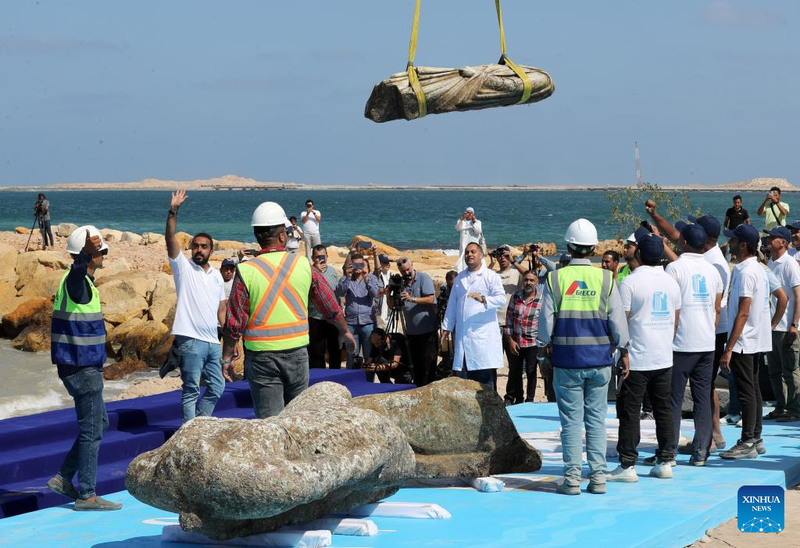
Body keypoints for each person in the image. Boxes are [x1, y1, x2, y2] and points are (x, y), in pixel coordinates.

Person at [221, 202, 355, 418]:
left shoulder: (246, 270)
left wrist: (227, 357)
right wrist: (345, 331)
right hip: (297, 352)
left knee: (270, 421)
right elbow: (330, 305)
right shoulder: (303, 265)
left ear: (257, 236)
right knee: (297, 419)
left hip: (261, 356)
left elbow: (235, 320)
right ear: (282, 237)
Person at [538, 219, 629, 496]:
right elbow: (618, 323)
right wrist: (622, 349)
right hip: (600, 360)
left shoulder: (555, 278)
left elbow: (545, 326)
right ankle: (598, 479)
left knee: (570, 423)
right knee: (596, 422)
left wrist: (544, 346)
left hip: (567, 362)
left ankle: (572, 480)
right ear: (593, 249)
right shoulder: (606, 279)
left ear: (568, 247)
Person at [47, 226, 122, 511]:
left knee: (99, 423)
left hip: (81, 366)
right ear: (87, 255)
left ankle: (63, 477)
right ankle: (87, 494)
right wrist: (83, 256)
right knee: (91, 430)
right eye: (99, 252)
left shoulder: (84, 284)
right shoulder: (75, 282)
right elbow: (77, 273)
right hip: (81, 368)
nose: (104, 255)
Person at [608, 232, 680, 482]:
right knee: (663, 410)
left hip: (636, 358)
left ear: (639, 252)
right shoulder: (671, 282)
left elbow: (621, 321)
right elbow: (675, 319)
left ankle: (627, 464)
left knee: (629, 411)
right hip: (664, 356)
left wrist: (621, 350)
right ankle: (666, 460)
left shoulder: (630, 282)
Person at [663, 222, 723, 466]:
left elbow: (670, 307)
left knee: (674, 399)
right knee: (702, 398)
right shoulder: (713, 270)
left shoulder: (674, 268)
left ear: (684, 242)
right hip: (706, 343)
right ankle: (701, 452)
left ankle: (669, 452)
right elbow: (717, 308)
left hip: (681, 343)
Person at [166, 190, 227, 424]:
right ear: (191, 248)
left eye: (204, 246)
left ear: (211, 250)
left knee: (217, 387)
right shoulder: (183, 267)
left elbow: (222, 310)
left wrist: (230, 339)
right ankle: (189, 434)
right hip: (190, 340)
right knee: (191, 390)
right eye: (195, 246)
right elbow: (170, 238)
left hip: (213, 342)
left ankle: (198, 425)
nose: (199, 250)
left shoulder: (217, 276)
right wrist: (173, 211)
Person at [719, 224, 772, 459]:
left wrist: (729, 348)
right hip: (754, 338)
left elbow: (743, 311)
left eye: (732, 240)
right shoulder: (757, 268)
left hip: (744, 340)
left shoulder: (746, 271)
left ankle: (748, 439)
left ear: (742, 245)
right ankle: (756, 437)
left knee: (746, 391)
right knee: (753, 389)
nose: (728, 243)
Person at [440, 242, 505, 388]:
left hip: (483, 340)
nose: (469, 254)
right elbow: (452, 305)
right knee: (464, 386)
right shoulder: (459, 278)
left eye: (473, 252)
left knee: (485, 387)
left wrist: (484, 299)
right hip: (462, 338)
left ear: (481, 255)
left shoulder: (490, 276)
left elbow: (501, 298)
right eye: (467, 252)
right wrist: (447, 327)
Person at [764, 226, 800, 422]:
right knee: (774, 371)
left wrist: (794, 324)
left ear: (783, 242)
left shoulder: (790, 264)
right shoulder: (771, 262)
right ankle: (781, 406)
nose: (768, 239)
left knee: (790, 370)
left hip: (786, 326)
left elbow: (798, 296)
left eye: (773, 237)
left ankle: (794, 409)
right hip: (772, 326)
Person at [389, 257, 439, 386]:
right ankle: (418, 388)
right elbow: (392, 306)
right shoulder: (401, 283)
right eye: (403, 271)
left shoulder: (423, 278)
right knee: (416, 366)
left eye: (408, 269)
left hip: (428, 332)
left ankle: (429, 388)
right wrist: (389, 293)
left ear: (412, 265)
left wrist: (412, 299)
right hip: (411, 333)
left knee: (427, 366)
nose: (406, 273)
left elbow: (431, 299)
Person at [504, 270, 543, 404]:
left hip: (533, 342)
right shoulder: (516, 296)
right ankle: (519, 399)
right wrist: (510, 340)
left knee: (531, 371)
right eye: (526, 280)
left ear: (537, 282)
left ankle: (530, 400)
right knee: (515, 370)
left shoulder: (542, 298)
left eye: (532, 280)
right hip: (516, 341)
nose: (528, 283)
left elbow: (545, 321)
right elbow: (509, 318)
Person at [337, 251, 379, 367]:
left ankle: (368, 378)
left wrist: (366, 279)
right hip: (351, 324)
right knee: (351, 356)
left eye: (361, 264)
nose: (358, 267)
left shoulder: (371, 278)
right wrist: (347, 277)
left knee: (369, 356)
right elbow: (340, 292)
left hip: (368, 323)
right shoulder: (346, 279)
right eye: (355, 265)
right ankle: (352, 377)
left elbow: (375, 294)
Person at [307, 244, 343, 369]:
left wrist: (341, 309)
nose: (320, 259)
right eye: (317, 257)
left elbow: (336, 293)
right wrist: (315, 271)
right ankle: (319, 376)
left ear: (327, 256)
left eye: (322, 256)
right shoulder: (309, 271)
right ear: (313, 258)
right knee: (317, 352)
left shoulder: (332, 271)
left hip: (332, 318)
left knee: (335, 350)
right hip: (315, 318)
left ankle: (335, 375)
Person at [455, 207, 483, 272]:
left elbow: (478, 231)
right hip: (464, 245)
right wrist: (461, 218)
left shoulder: (477, 222)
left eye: (471, 213)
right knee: (464, 257)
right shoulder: (462, 222)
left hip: (474, 244)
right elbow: (457, 228)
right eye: (468, 212)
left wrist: (474, 221)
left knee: (475, 256)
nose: (469, 214)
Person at [374, 253, 393, 328]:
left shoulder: (392, 276)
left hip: (389, 311)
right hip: (378, 312)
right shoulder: (375, 277)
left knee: (391, 331)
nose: (387, 264)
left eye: (388, 262)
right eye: (384, 263)